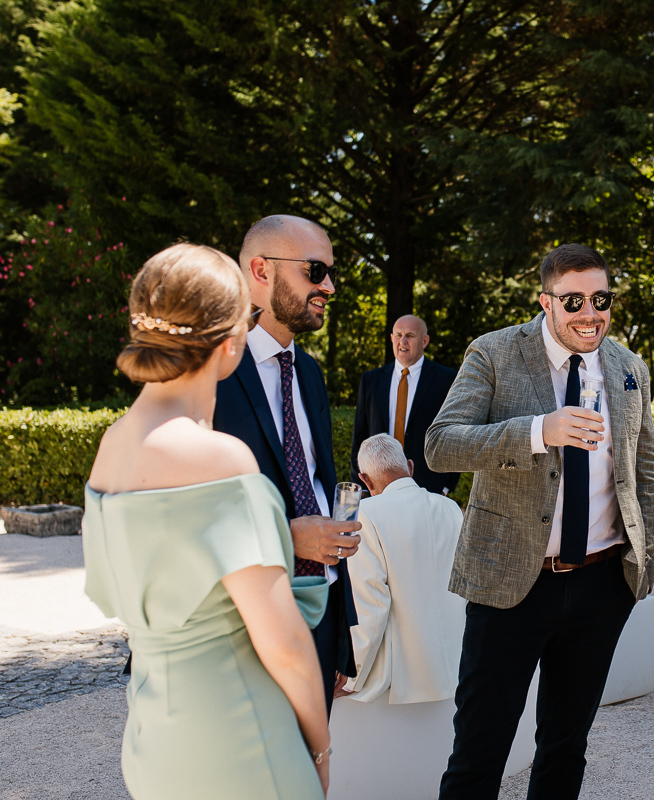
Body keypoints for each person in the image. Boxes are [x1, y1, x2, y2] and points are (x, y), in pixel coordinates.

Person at [83, 243, 330, 799]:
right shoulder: (219, 458)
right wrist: (318, 748)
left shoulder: (111, 447)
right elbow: (287, 647)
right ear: (232, 341)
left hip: (152, 739)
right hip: (239, 743)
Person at [425, 242, 654, 800]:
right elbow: (440, 444)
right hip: (510, 584)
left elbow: (643, 468)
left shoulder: (629, 368)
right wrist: (538, 431)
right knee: (479, 751)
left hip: (601, 584)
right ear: (546, 301)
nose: (590, 312)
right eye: (574, 300)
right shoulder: (495, 352)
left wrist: (642, 565)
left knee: (564, 747)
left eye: (600, 298)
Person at [214, 214, 362, 716]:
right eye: (316, 271)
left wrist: (340, 635)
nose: (330, 286)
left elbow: (317, 488)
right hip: (238, 624)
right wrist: (285, 535)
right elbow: (177, 509)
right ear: (261, 270)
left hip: (319, 612)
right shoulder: (205, 370)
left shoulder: (311, 373)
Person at [340, 433, 466, 704]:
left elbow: (370, 605)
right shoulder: (451, 508)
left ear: (365, 480)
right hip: (458, 666)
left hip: (403, 678)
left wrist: (352, 676)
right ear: (410, 467)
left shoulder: (365, 514)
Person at [350, 315, 461, 496]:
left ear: (424, 341)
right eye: (398, 335)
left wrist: (446, 486)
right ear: (392, 339)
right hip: (378, 487)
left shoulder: (447, 380)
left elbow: (455, 434)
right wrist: (361, 484)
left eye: (410, 335)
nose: (403, 341)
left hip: (428, 488)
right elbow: (360, 437)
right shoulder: (371, 380)